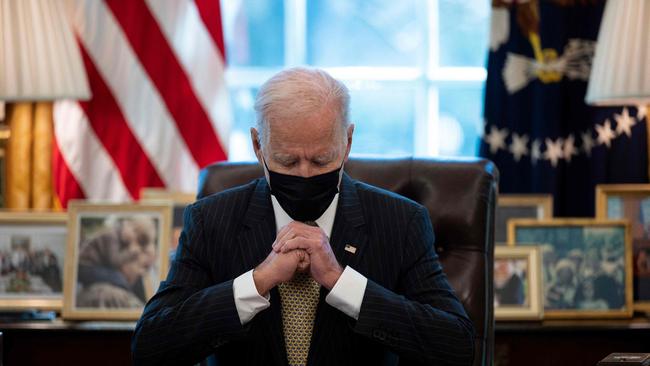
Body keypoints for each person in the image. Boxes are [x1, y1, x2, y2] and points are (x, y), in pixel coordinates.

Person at [132, 67, 475, 366]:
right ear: (258, 145)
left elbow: (456, 347)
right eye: (287, 161)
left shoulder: (401, 222)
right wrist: (256, 282)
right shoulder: (211, 221)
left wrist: (342, 283)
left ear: (348, 141)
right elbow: (151, 348)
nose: (306, 175)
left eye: (322, 160)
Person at [77, 216, 158, 308]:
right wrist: (132, 251)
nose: (133, 237)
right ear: (126, 224)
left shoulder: (118, 237)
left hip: (91, 269)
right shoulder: (112, 236)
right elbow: (114, 261)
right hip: (86, 267)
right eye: (134, 231)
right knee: (119, 279)